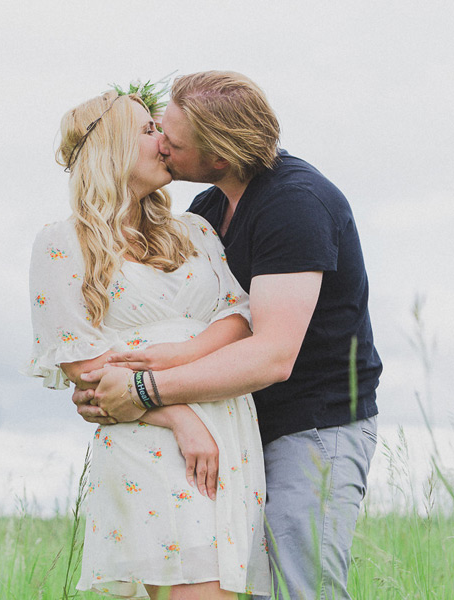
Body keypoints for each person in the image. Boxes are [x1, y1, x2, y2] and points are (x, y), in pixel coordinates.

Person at [74, 71, 381, 600]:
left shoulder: (295, 204)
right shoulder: (208, 211)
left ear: (217, 157)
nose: (160, 146)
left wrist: (144, 392)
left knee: (301, 586)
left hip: (312, 426)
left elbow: (272, 354)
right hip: (236, 428)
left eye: (171, 140)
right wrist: (107, 378)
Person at [24, 88, 271, 599]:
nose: (164, 141)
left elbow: (241, 317)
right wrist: (181, 418)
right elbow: (85, 366)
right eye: (148, 130)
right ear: (111, 148)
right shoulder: (61, 243)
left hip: (230, 432)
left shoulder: (195, 230)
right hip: (153, 438)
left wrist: (184, 353)